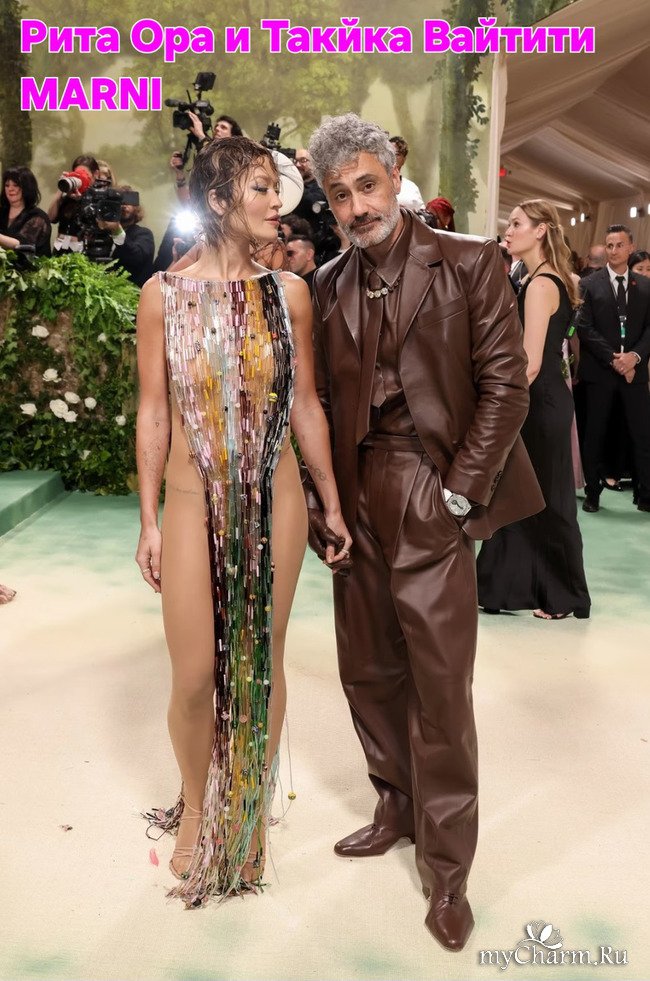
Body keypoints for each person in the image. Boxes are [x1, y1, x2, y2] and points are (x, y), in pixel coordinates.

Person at [304, 113, 542, 950]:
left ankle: (448, 870)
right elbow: (319, 402)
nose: (357, 207)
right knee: (368, 669)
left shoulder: (469, 261)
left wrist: (459, 495)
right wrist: (324, 503)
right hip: (355, 494)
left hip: (431, 486)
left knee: (439, 686)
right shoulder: (326, 282)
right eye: (340, 195)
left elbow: (506, 386)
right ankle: (395, 807)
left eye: (367, 186)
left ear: (394, 174)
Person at [135, 136, 351, 907]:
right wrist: (149, 518)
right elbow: (153, 411)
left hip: (275, 496)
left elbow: (306, 404)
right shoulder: (162, 295)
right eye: (260, 188)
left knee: (258, 660)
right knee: (195, 674)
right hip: (192, 500)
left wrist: (329, 497)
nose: (277, 201)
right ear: (219, 199)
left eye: (276, 187)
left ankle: (246, 808)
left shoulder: (290, 293)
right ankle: (197, 803)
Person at [476, 200, 591, 620]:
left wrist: (498, 407)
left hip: (538, 403)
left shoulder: (541, 284)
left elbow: (531, 362)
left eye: (517, 224)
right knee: (519, 495)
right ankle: (499, 588)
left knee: (548, 499)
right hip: (541, 401)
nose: (508, 231)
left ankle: (566, 596)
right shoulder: (535, 278)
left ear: (541, 230)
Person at [576, 224, 650, 514]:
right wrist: (614, 359)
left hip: (635, 372)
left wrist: (634, 357)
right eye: (609, 245)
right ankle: (593, 493)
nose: (614, 250)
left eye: (620, 245)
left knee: (642, 434)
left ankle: (645, 494)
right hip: (600, 372)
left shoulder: (645, 286)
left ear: (630, 247)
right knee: (595, 435)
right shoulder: (589, 284)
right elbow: (584, 327)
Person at [96, 185, 154, 287]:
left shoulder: (144, 234)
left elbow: (136, 258)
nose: (124, 206)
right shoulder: (104, 233)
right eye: (120, 203)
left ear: (136, 207)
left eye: (129, 202)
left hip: (131, 292)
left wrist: (117, 230)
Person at [47, 154, 99, 253]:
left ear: (95, 174)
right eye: (78, 173)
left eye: (85, 174)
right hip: (60, 248)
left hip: (83, 250)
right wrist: (62, 188)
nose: (81, 178)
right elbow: (50, 218)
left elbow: (95, 223)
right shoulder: (68, 196)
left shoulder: (97, 198)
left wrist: (81, 200)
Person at [0, 166, 51, 257]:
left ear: (26, 187)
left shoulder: (38, 217)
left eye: (15, 185)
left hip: (30, 265)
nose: (10, 189)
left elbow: (21, 245)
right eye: (7, 185)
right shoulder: (2, 212)